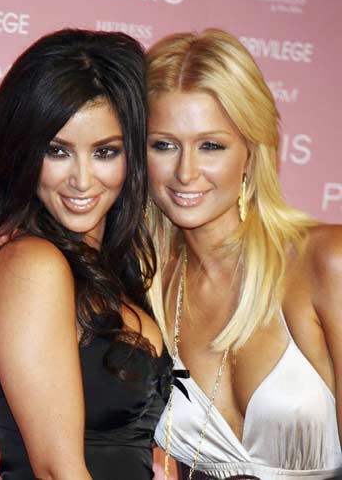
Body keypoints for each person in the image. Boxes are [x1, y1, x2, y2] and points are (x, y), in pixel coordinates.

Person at [0, 28, 171, 480]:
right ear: (22, 152)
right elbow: (58, 471)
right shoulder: (32, 266)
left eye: (105, 152)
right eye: (57, 151)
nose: (82, 180)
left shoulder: (115, 272)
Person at [145, 29, 342, 479]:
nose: (185, 172)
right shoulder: (147, 288)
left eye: (210, 145)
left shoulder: (325, 261)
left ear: (251, 152)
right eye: (164, 145)